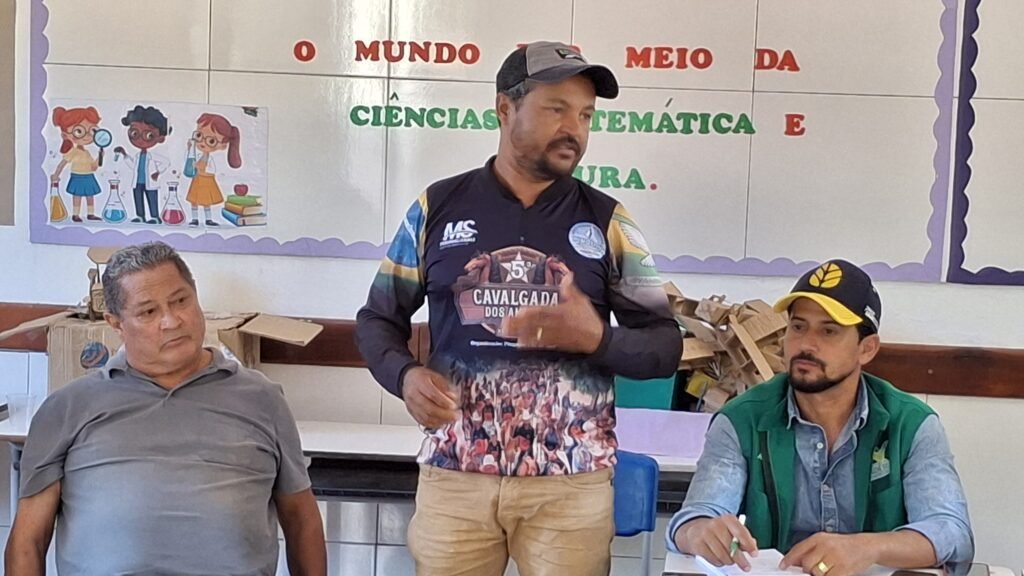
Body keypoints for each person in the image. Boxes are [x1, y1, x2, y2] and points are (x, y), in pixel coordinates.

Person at [356, 40, 682, 575]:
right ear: (505, 108)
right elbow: (377, 319)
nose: (574, 129)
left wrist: (596, 338)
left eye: (586, 115)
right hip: (456, 474)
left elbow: (665, 348)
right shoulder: (437, 208)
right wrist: (404, 376)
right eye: (557, 109)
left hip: (571, 484)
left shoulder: (608, 221)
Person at [5, 241, 326, 576]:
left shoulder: (262, 398)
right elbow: (28, 541)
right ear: (116, 323)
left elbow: (301, 519)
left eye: (181, 301)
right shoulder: (68, 408)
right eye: (148, 312)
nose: (172, 321)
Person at [667, 260, 974, 576]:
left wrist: (869, 547)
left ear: (866, 349)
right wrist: (701, 531)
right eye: (798, 327)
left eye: (829, 331)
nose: (805, 345)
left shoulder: (911, 424)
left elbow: (952, 533)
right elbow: (694, 519)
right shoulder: (741, 420)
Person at [113, 105, 172, 224]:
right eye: (134, 133)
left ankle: (155, 217)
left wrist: (157, 172)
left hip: (149, 182)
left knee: (152, 198)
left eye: (149, 135)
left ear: (160, 138)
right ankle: (140, 216)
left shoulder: (153, 156)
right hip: (138, 182)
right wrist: (124, 154)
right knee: (138, 198)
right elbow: (133, 166)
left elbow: (166, 162)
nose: (140, 140)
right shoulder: (137, 155)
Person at [50, 106, 103, 222]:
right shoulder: (73, 152)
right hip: (77, 176)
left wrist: (100, 157)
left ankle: (90, 214)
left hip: (88, 176)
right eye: (79, 131)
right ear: (65, 135)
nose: (87, 136)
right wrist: (56, 175)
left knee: (90, 196)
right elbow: (62, 163)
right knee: (77, 196)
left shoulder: (87, 152)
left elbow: (93, 167)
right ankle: (75, 214)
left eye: (92, 130)